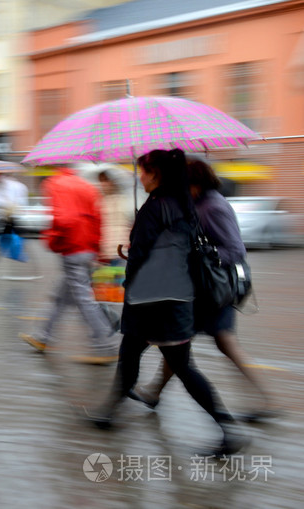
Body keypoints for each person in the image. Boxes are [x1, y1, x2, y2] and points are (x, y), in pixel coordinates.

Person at [87, 149, 247, 456]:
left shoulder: (156, 207)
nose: (141, 177)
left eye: (143, 172)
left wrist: (132, 252)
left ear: (156, 174)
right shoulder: (184, 204)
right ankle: (107, 413)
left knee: (182, 368)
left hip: (153, 301)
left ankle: (229, 428)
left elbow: (143, 257)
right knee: (130, 355)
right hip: (174, 297)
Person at [131, 156, 276, 421]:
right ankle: (153, 391)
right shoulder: (197, 203)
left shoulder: (212, 206)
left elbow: (234, 249)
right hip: (204, 286)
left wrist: (199, 253)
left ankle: (263, 401)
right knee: (182, 343)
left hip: (214, 287)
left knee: (186, 342)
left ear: (192, 181)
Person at [19, 165, 118, 363]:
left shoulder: (56, 184)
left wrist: (51, 240)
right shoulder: (87, 186)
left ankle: (106, 345)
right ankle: (43, 337)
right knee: (60, 297)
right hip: (86, 247)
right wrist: (97, 248)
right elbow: (98, 219)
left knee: (83, 299)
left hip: (73, 248)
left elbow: (64, 219)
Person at [97, 170, 132, 265]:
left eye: (106, 180)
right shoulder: (101, 201)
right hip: (106, 250)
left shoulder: (126, 200)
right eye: (101, 181)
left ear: (113, 182)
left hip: (121, 249)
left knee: (123, 277)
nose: (103, 184)